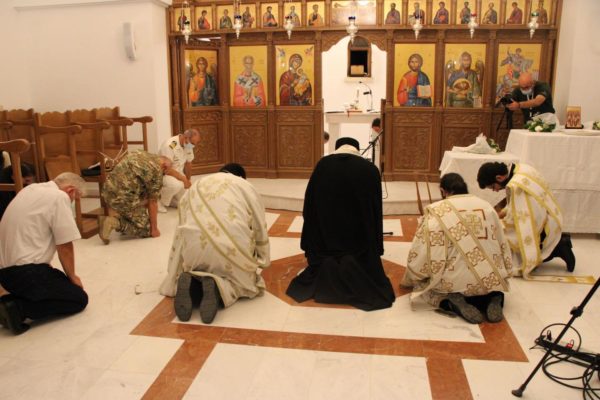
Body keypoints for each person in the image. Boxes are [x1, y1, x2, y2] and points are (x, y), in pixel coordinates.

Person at [286, 137, 395, 311]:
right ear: (357, 149)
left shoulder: (323, 166)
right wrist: (376, 245)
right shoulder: (370, 169)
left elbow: (310, 203)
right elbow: (375, 208)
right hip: (359, 240)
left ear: (337, 148)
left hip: (326, 237)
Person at [160, 163, 270, 324]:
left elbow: (180, 232)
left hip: (194, 252)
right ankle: (218, 287)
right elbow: (259, 225)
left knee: (198, 261)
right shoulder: (245, 186)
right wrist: (262, 258)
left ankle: (193, 283)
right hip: (231, 253)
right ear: (241, 177)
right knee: (247, 285)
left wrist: (174, 270)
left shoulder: (196, 186)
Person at [401, 173, 512, 324]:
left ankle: (452, 302)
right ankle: (493, 297)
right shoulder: (487, 207)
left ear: (443, 190)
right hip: (491, 279)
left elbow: (422, 252)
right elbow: (502, 242)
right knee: (488, 285)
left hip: (454, 283)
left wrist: (414, 276)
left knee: (429, 290)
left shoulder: (437, 211)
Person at [0, 172, 88, 335]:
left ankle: (9, 301)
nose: (73, 203)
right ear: (70, 190)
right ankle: (18, 309)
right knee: (79, 298)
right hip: (26, 273)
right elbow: (65, 245)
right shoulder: (59, 197)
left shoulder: (30, 190)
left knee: (58, 281)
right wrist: (73, 277)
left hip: (5, 275)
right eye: (75, 199)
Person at [477, 162, 576, 278]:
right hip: (551, 215)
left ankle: (559, 246)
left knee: (500, 234)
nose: (495, 190)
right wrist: (501, 213)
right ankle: (554, 243)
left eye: (493, 187)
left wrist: (498, 222)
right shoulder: (519, 168)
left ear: (499, 178)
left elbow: (521, 218)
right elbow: (518, 206)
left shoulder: (516, 186)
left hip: (544, 224)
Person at [99, 150, 172, 244]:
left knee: (144, 194)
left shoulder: (140, 152)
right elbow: (153, 203)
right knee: (147, 229)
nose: (163, 175)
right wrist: (154, 229)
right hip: (121, 198)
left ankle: (125, 215)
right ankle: (114, 222)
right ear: (164, 166)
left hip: (107, 190)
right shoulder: (157, 171)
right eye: (165, 173)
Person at [158, 129, 201, 212]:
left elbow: (188, 163)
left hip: (178, 175)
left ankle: (170, 200)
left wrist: (188, 180)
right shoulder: (170, 145)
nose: (194, 146)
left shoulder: (188, 145)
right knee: (175, 185)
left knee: (186, 202)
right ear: (185, 138)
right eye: (193, 143)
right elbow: (167, 169)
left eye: (195, 143)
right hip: (165, 174)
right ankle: (159, 202)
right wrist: (183, 179)